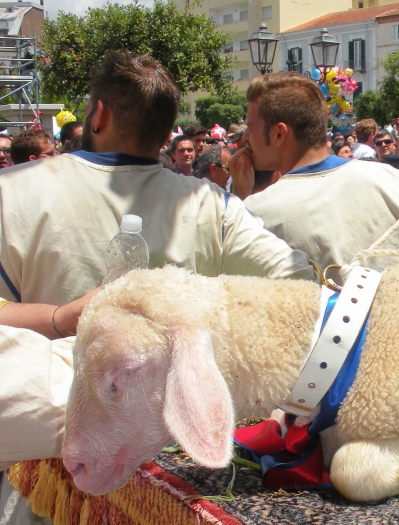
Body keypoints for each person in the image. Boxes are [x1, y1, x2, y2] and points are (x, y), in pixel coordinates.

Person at [0, 52, 315, 513]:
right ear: (167, 131)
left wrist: (54, 319)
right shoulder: (211, 205)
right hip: (176, 475)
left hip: (49, 477)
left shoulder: (11, 193)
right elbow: (298, 284)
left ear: (99, 113)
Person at [230, 72, 399, 272]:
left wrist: (239, 201)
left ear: (278, 133)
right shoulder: (395, 180)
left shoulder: (255, 213)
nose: (246, 137)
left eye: (250, 126)